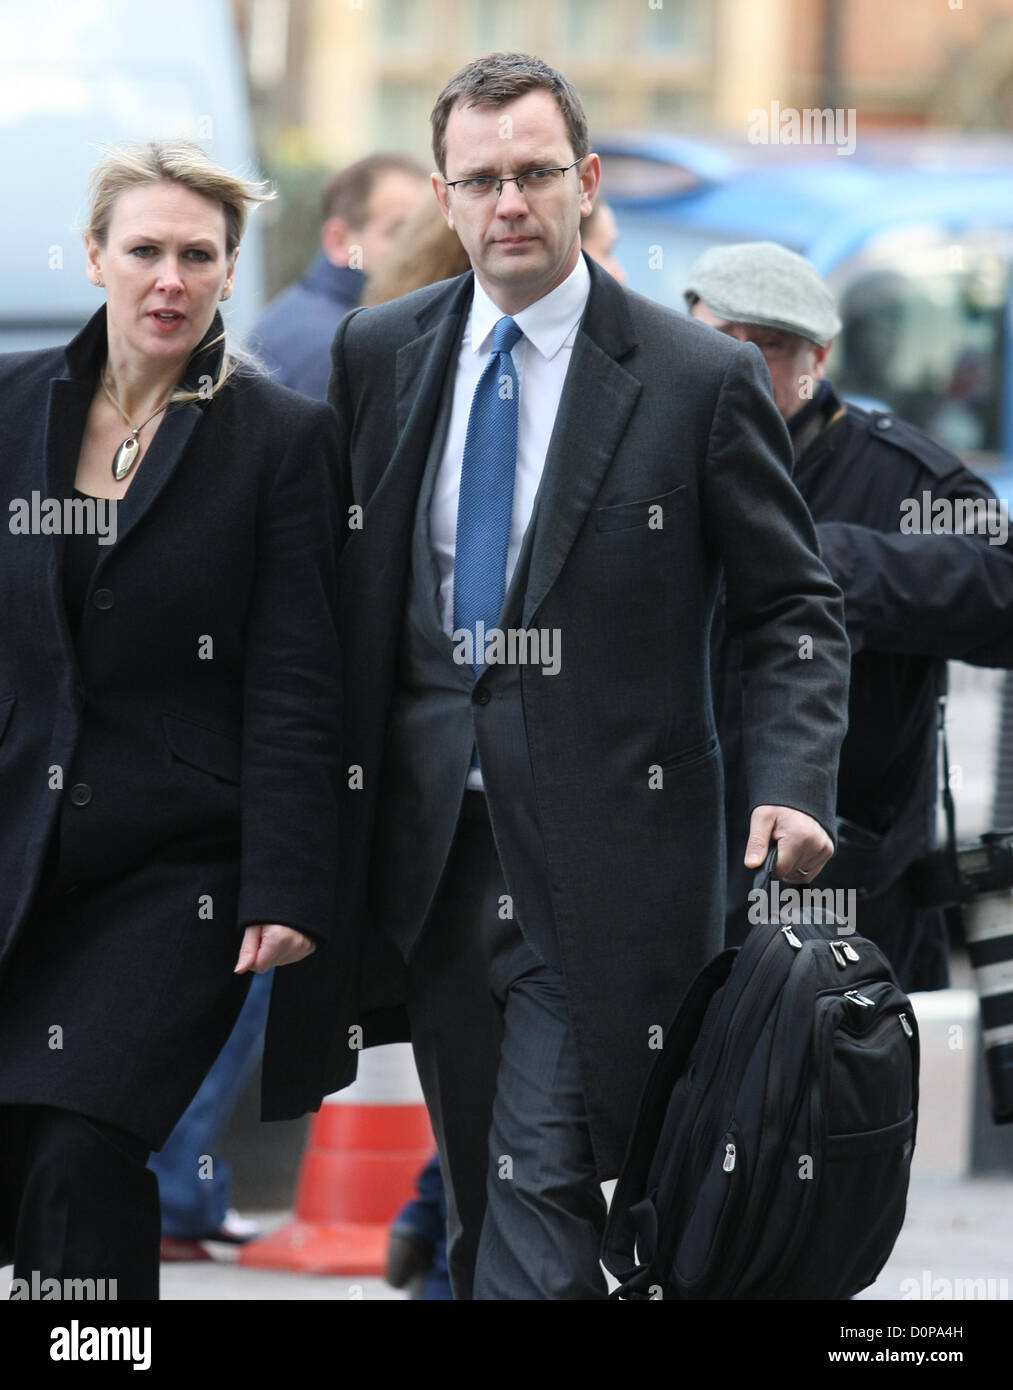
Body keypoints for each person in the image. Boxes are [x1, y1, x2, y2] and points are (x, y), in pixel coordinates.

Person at [314, 52, 850, 1300]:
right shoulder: (375, 352)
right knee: (479, 1205)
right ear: (444, 198)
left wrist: (793, 781)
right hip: (434, 855)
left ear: (585, 181)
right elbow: (338, 605)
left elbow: (793, 607)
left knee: (539, 1186)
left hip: (609, 858)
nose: (509, 202)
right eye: (482, 178)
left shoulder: (694, 378)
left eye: (535, 175)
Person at [0, 139, 343, 1299]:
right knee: (20, 1151)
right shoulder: (8, 409)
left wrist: (288, 882)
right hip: (16, 843)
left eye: (198, 255)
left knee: (83, 1144)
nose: (169, 279)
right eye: (143, 250)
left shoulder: (280, 439)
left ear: (229, 273)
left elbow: (299, 676)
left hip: (174, 866)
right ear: (93, 257)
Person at [685, 241, 1013, 991]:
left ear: (818, 359)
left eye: (767, 345)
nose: (737, 364)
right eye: (716, 338)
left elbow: (1000, 593)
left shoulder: (902, 476)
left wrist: (826, 568)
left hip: (849, 899)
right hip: (676, 880)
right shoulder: (643, 457)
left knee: (840, 1103)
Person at [249, 153, 427, 398]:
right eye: (399, 232)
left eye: (425, 233)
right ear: (339, 240)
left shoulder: (306, 311)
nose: (420, 249)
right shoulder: (342, 348)